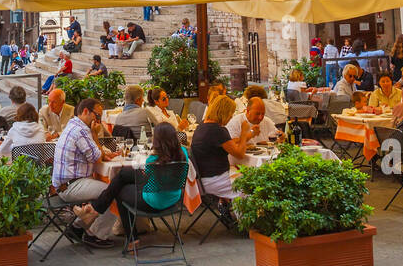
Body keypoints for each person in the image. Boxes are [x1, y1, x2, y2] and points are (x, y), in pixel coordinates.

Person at [73, 122, 187, 253]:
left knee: (120, 190)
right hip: (174, 199)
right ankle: (95, 210)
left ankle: (132, 238)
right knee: (123, 175)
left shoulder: (153, 160)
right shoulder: (183, 152)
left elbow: (146, 182)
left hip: (153, 202)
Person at [51, 97, 118, 248]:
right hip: (70, 186)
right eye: (98, 115)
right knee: (113, 191)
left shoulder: (74, 124)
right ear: (86, 111)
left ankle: (77, 227)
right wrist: (95, 134)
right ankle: (95, 234)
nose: (99, 120)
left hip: (66, 184)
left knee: (110, 189)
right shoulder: (81, 130)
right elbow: (96, 157)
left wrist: (101, 152)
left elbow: (95, 155)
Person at [190, 94, 254, 199]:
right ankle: (243, 213)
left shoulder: (201, 126)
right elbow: (239, 154)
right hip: (215, 180)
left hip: (201, 179)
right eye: (231, 114)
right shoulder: (218, 130)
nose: (231, 117)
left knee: (239, 172)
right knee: (249, 183)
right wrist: (243, 133)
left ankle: (224, 205)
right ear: (225, 113)